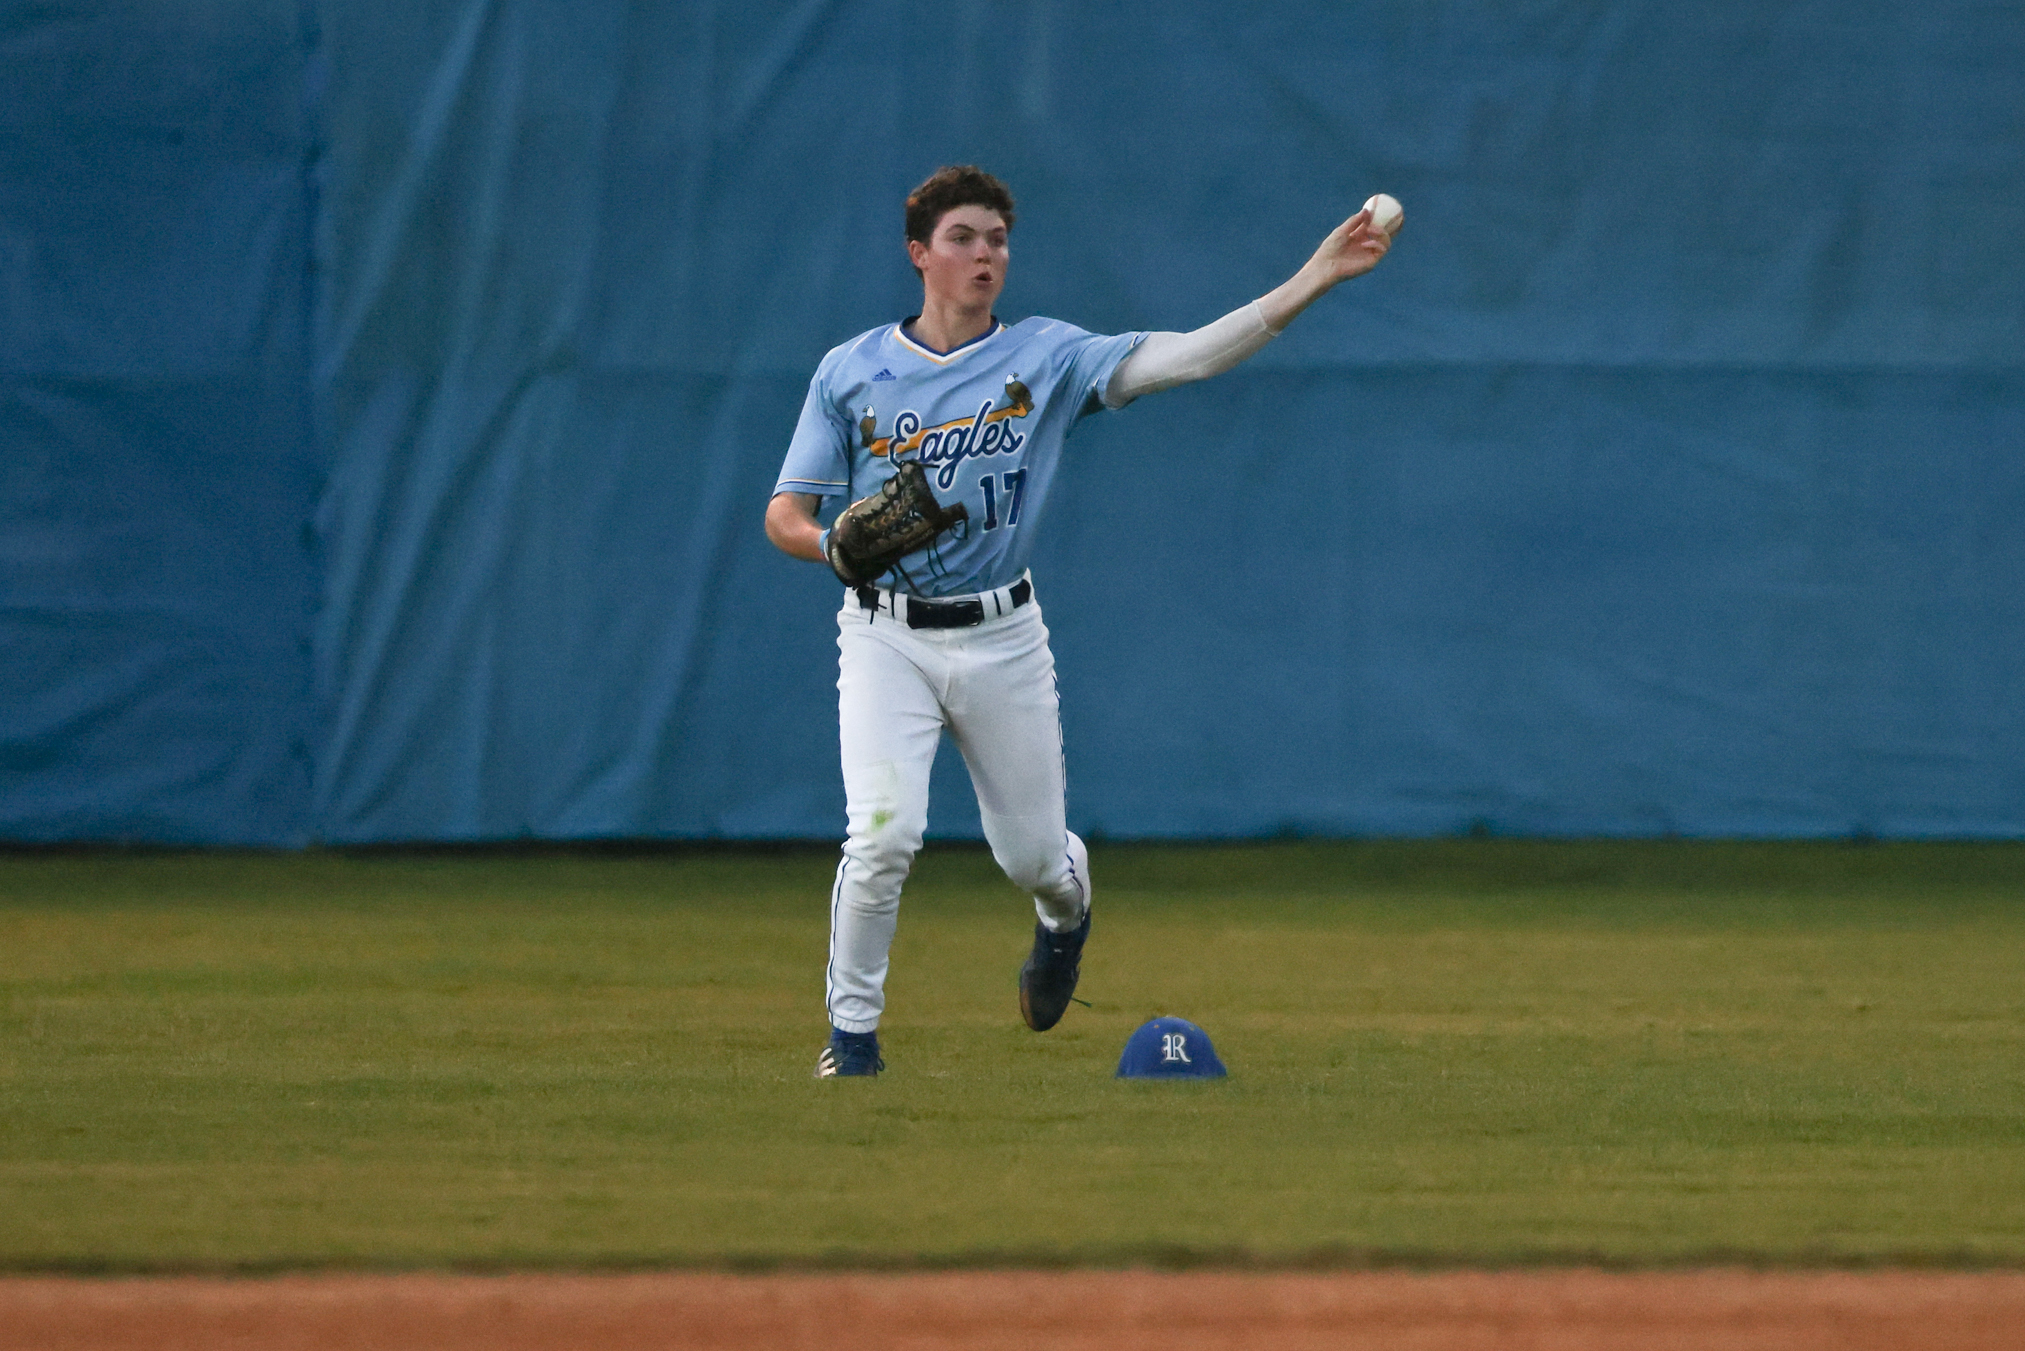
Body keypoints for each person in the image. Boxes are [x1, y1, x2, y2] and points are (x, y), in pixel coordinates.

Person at [765, 165, 1397, 1077]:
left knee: (1033, 861)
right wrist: (829, 544)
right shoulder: (852, 369)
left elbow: (1189, 356)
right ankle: (852, 1043)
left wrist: (1314, 276)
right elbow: (784, 513)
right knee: (882, 835)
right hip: (884, 632)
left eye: (996, 239)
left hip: (1000, 636)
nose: (984, 254)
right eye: (961, 238)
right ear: (918, 254)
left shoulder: (1047, 357)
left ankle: (1064, 919)